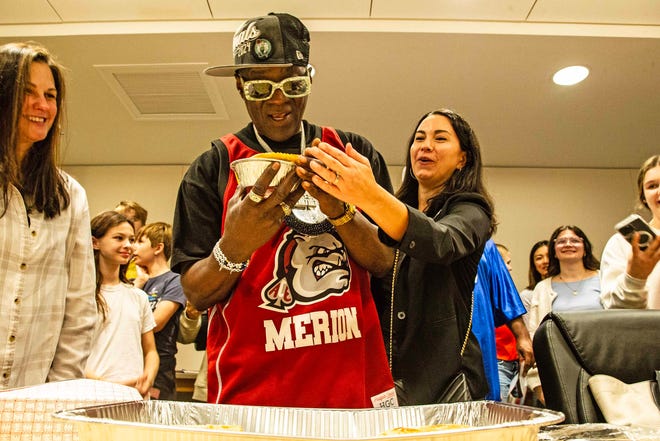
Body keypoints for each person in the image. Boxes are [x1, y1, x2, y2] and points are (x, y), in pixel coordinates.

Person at [171, 12, 396, 408]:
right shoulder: (212, 167)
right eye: (260, 87)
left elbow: (386, 263)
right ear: (240, 87)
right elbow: (196, 293)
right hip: (253, 395)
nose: (279, 100)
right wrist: (235, 246)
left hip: (352, 389)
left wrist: (342, 214)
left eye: (293, 84)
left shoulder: (351, 154)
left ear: (309, 77)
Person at [299, 108, 496, 404]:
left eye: (440, 138)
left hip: (446, 385)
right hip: (381, 379)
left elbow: (442, 242)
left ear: (462, 159)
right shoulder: (387, 211)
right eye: (419, 138)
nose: (426, 145)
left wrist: (368, 194)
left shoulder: (472, 210)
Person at [0, 42, 97, 389]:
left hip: (33, 394)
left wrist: (56, 393)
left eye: (50, 95)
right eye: (27, 92)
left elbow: (80, 308)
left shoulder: (70, 196)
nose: (42, 105)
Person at [524, 225, 602, 405]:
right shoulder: (542, 288)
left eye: (574, 240)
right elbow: (536, 337)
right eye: (561, 241)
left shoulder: (604, 279)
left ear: (585, 249)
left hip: (602, 367)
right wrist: (538, 384)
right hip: (561, 370)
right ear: (554, 251)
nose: (568, 244)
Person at [86, 211, 159, 399]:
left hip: (133, 398)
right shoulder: (80, 296)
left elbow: (150, 350)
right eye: (119, 238)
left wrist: (147, 377)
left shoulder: (138, 297)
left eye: (131, 239)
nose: (128, 245)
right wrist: (105, 385)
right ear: (95, 242)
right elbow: (68, 357)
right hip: (91, 396)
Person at [132, 222, 187, 400]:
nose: (133, 247)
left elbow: (156, 323)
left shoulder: (174, 281)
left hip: (160, 370)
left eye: (140, 242)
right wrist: (138, 284)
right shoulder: (136, 281)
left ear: (158, 248)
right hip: (132, 362)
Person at [601, 155, 660, 309]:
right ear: (644, 198)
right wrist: (635, 277)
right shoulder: (622, 244)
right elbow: (614, 310)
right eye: (652, 186)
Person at [488, 242, 535, 401]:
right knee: (499, 406)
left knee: (518, 407)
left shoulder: (511, 296)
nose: (510, 268)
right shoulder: (488, 295)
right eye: (506, 263)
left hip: (517, 361)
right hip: (499, 363)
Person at [114, 200, 148, 280]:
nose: (127, 222)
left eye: (133, 219)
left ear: (143, 225)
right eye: (122, 217)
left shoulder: (146, 253)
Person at [519, 240, 550, 323]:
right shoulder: (527, 295)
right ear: (534, 265)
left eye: (549, 256)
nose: (545, 261)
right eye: (539, 258)